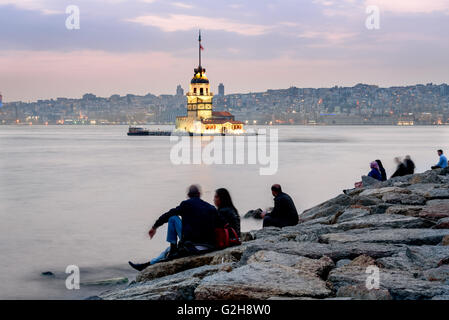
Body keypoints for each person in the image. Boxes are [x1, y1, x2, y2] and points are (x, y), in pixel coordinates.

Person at [128, 185, 222, 271]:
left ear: (188, 195)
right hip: (209, 246)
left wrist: (155, 227)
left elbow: (168, 214)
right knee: (166, 251)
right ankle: (147, 265)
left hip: (193, 245)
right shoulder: (211, 208)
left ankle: (169, 253)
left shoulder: (186, 204)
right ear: (200, 194)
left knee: (173, 218)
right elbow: (222, 223)